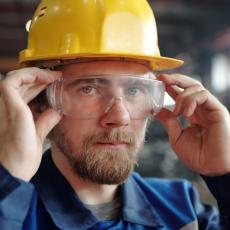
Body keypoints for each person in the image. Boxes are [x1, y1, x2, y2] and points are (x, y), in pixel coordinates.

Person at [0, 0, 230, 229]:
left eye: (134, 90)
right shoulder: (15, 210)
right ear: (39, 102)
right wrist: (7, 179)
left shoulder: (182, 207)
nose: (120, 117)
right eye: (89, 89)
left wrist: (223, 173)